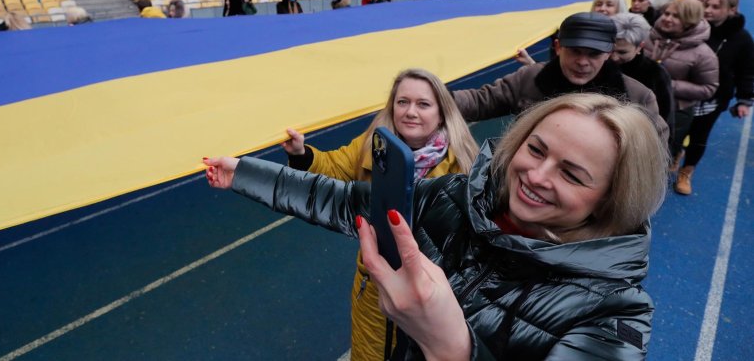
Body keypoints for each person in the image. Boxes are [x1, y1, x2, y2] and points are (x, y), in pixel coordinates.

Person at [205, 93, 668, 360]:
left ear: (613, 198)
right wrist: (244, 172)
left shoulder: (614, 313)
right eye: (536, 149)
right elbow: (344, 200)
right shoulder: (454, 196)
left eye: (572, 174)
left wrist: (453, 349)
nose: (536, 176)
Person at [279, 68, 479, 361]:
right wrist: (301, 154)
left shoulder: (463, 166)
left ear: (441, 114)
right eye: (402, 102)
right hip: (373, 288)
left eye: (423, 104)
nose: (410, 112)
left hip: (430, 293)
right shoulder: (372, 145)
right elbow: (332, 166)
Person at [457, 12, 669, 143]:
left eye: (594, 54)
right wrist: (438, 98)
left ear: (608, 53)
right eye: (575, 51)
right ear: (558, 47)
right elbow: (481, 100)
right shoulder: (530, 77)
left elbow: (654, 144)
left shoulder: (638, 96)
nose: (583, 62)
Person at [676, 0, 754, 194]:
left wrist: (744, 99)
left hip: (712, 98)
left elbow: (747, 71)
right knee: (677, 130)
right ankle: (676, 154)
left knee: (699, 136)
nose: (708, 10)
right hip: (683, 93)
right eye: (707, 5)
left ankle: (687, 171)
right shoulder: (693, 28)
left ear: (732, 10)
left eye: (715, 7)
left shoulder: (742, 39)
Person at [643, 0, 718, 165]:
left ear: (689, 21)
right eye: (666, 13)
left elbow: (709, 88)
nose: (667, 18)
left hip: (675, 111)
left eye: (676, 16)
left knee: (661, 155)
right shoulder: (648, 38)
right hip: (641, 103)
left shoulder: (703, 54)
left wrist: (668, 85)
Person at [609, 13, 675, 138]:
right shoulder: (598, 65)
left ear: (640, 47)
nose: (614, 57)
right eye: (610, 50)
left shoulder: (655, 74)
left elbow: (665, 118)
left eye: (622, 52)